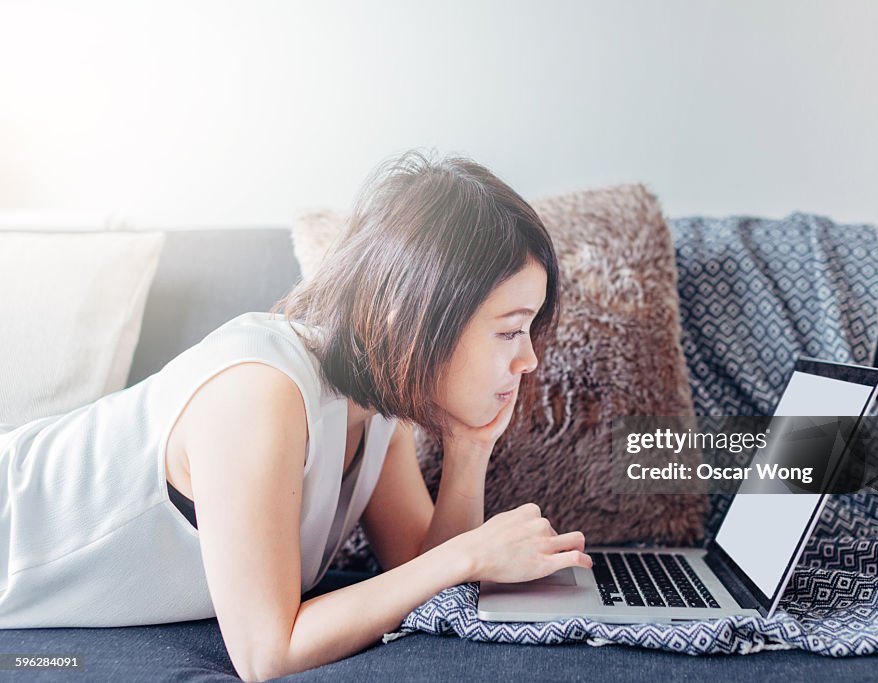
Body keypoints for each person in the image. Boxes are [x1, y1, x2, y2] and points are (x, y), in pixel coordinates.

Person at [0, 150, 593, 681]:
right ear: (416, 316)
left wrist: (470, 447)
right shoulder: (260, 390)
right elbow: (267, 654)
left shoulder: (375, 404)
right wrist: (472, 552)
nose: (529, 359)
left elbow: (420, 573)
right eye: (511, 330)